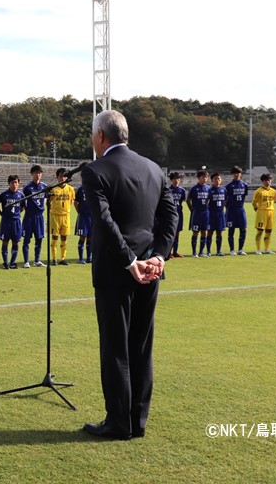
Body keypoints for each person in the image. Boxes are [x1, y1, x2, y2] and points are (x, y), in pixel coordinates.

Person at [80, 110, 177, 440]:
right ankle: (137, 422)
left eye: (93, 135)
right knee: (141, 346)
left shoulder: (95, 171)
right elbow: (170, 216)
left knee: (115, 349)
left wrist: (129, 261)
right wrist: (159, 256)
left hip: (117, 272)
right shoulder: (153, 168)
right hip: (150, 270)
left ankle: (118, 422)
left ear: (101, 137)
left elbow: (105, 223)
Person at [48, 167, 75, 265]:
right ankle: (54, 259)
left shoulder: (71, 189)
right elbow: (48, 202)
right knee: (55, 237)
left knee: (64, 237)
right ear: (57, 177)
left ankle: (62, 258)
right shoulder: (53, 189)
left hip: (66, 216)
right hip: (55, 216)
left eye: (65, 176)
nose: (63, 178)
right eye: (61, 176)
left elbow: (71, 201)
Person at [21, 165, 47, 267]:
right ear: (32, 174)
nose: (38, 175)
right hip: (29, 216)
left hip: (40, 217)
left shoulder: (44, 187)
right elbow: (23, 202)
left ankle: (37, 260)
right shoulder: (27, 188)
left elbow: (48, 199)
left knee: (39, 239)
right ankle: (26, 261)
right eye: (36, 173)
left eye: (40, 173)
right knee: (26, 239)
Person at [0, 175, 24, 269]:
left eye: (16, 182)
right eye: (12, 183)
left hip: (16, 222)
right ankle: (5, 262)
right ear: (9, 183)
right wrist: (2, 213)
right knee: (5, 241)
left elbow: (23, 206)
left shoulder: (21, 195)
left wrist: (17, 213)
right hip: (6, 222)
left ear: (18, 183)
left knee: (15, 242)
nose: (14, 184)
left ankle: (12, 262)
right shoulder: (4, 195)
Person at [224, 166, 249, 255]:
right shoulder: (228, 186)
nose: (236, 175)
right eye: (235, 173)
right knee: (231, 230)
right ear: (232, 174)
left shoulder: (245, 185)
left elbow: (244, 196)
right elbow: (225, 199)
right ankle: (232, 250)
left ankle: (240, 249)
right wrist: (228, 208)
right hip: (231, 210)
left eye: (238, 173)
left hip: (241, 209)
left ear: (240, 174)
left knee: (243, 229)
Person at [186, 170, 211, 257]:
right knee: (195, 232)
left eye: (206, 177)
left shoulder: (208, 188)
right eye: (203, 177)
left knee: (204, 232)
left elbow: (210, 199)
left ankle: (201, 252)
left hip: (205, 213)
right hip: (196, 213)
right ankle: (194, 252)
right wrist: (192, 209)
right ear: (199, 178)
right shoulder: (194, 188)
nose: (205, 179)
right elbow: (188, 200)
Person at [251, 173, 276, 254]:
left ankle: (266, 249)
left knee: (269, 231)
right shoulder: (259, 191)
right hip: (262, 212)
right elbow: (254, 202)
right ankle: (258, 249)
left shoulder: (273, 191)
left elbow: (273, 200)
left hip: (271, 212)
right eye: (266, 180)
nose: (267, 182)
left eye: (269, 180)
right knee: (260, 231)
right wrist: (257, 210)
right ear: (262, 181)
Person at [167, 172, 186, 258]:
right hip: (170, 214)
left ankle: (175, 252)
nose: (177, 181)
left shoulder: (182, 191)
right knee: (170, 233)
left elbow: (182, 201)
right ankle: (168, 252)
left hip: (179, 214)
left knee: (177, 233)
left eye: (178, 179)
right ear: (171, 180)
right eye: (175, 179)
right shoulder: (168, 190)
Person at [208, 173, 227, 256]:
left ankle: (219, 251)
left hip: (220, 214)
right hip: (211, 214)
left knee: (219, 232)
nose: (217, 180)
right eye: (215, 179)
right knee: (210, 232)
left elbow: (226, 200)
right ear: (212, 180)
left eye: (219, 179)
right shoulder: (209, 190)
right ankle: (208, 251)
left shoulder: (224, 190)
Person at [74, 182, 93, 264]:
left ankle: (89, 257)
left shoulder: (94, 188)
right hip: (83, 217)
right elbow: (75, 202)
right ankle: (81, 258)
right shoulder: (80, 189)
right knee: (82, 237)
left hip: (92, 217)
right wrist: (80, 212)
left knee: (91, 237)